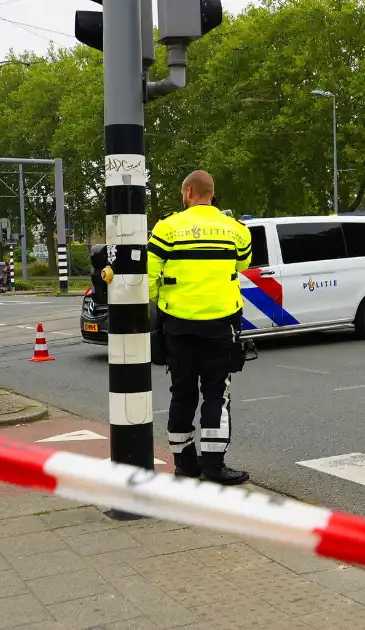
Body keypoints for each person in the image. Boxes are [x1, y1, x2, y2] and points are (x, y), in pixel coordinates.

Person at [147, 170, 252, 485]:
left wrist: (158, 302)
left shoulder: (167, 229)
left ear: (188, 192)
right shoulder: (236, 231)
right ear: (211, 193)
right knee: (215, 392)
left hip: (177, 324)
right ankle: (214, 466)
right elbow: (242, 264)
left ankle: (184, 463)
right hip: (220, 323)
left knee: (182, 392)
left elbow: (149, 277)